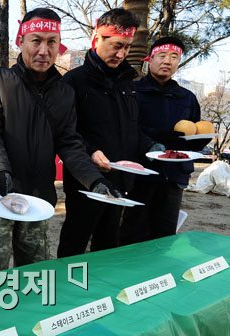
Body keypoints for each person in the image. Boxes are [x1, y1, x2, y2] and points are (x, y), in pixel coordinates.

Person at [0, 8, 120, 273]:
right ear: (21, 42)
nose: (44, 50)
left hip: (38, 201)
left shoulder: (64, 92)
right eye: (36, 40)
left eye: (51, 42)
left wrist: (95, 181)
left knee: (35, 276)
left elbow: (70, 144)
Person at [58, 8, 156, 258]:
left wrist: (152, 146)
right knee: (75, 242)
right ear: (97, 38)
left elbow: (131, 127)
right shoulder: (74, 82)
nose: (121, 54)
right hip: (86, 179)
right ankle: (66, 292)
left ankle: (103, 295)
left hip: (120, 179)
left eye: (126, 47)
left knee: (108, 244)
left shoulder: (127, 83)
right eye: (116, 45)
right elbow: (66, 131)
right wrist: (90, 151)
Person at [120, 36, 210, 244]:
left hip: (173, 178)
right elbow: (128, 129)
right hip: (141, 175)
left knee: (164, 237)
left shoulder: (186, 97)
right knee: (132, 235)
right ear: (149, 59)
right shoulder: (134, 91)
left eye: (174, 57)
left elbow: (193, 136)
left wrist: (201, 141)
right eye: (161, 56)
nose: (167, 61)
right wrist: (153, 142)